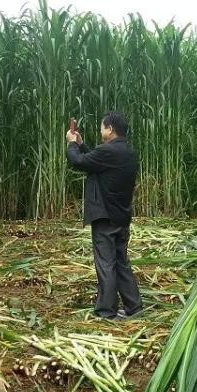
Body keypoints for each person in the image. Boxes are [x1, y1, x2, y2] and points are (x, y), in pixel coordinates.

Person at [65, 111, 143, 320]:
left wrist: (72, 144)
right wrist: (82, 145)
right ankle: (134, 306)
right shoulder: (127, 152)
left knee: (106, 263)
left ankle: (106, 311)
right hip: (121, 216)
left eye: (101, 127)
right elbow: (95, 162)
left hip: (105, 217)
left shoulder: (108, 152)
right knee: (120, 261)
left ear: (110, 129)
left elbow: (79, 163)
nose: (100, 131)